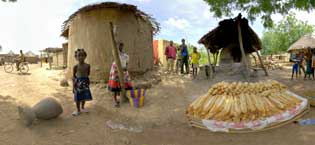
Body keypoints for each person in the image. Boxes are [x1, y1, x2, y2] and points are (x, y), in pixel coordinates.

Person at [108, 43, 133, 108]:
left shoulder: (126, 56)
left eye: (121, 46)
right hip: (116, 70)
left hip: (123, 70)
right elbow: (114, 61)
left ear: (122, 46)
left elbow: (126, 64)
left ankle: (124, 97)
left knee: (125, 84)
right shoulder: (115, 54)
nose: (120, 47)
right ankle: (115, 100)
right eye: (118, 46)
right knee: (115, 86)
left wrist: (125, 69)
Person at [72, 49, 93, 116]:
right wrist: (73, 86)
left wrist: (87, 81)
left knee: (84, 96)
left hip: (85, 82)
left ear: (85, 56)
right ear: (76, 57)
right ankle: (78, 110)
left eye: (82, 55)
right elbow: (73, 77)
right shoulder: (75, 67)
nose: (81, 57)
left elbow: (88, 74)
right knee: (78, 97)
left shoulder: (88, 66)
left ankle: (83, 107)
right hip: (78, 83)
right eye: (79, 55)